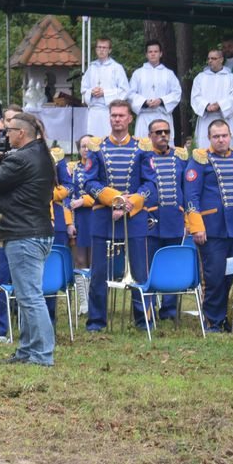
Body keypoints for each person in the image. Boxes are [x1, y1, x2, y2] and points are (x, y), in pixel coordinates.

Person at [0, 112, 57, 366]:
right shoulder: (41, 153)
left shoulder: (21, 158)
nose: (4, 135)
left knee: (30, 297)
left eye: (8, 131)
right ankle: (26, 351)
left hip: (25, 235)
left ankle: (42, 355)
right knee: (26, 296)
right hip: (37, 232)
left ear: (21, 133)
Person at [82, 100, 156, 332]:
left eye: (121, 116)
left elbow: (151, 184)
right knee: (99, 272)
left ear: (130, 119)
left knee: (139, 271)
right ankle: (96, 321)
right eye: (113, 115)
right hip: (103, 217)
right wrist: (114, 198)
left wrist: (130, 202)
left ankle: (143, 320)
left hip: (134, 218)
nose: (117, 119)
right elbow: (88, 181)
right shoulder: (97, 147)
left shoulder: (143, 147)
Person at [184, 119, 233, 331]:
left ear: (230, 135)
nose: (221, 139)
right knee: (214, 277)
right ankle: (213, 321)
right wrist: (196, 226)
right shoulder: (200, 160)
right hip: (211, 230)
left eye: (224, 135)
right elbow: (191, 195)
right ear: (209, 138)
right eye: (216, 136)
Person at [144, 119, 188, 321]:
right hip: (150, 219)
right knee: (149, 266)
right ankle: (148, 310)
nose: (163, 135)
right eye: (158, 132)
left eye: (166, 131)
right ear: (150, 135)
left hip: (174, 219)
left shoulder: (180, 158)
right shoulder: (143, 157)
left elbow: (186, 189)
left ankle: (169, 311)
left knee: (172, 264)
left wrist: (186, 215)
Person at [127, 40, 182, 140]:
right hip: (144, 116)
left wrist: (161, 101)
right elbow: (130, 94)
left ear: (160, 54)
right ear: (146, 54)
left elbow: (177, 93)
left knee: (163, 147)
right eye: (150, 52)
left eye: (155, 52)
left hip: (162, 116)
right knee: (143, 147)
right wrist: (145, 102)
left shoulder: (169, 74)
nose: (153, 54)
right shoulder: (138, 73)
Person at [191, 49, 233, 149]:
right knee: (204, 149)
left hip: (225, 118)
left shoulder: (231, 78)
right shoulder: (200, 78)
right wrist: (206, 106)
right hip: (206, 118)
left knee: (227, 148)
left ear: (221, 60)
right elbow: (195, 97)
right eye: (209, 58)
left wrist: (220, 105)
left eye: (213, 58)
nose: (210, 61)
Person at [66, 135, 94, 316]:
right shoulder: (72, 168)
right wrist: (69, 222)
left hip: (95, 216)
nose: (86, 149)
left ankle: (95, 301)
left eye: (89, 146)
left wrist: (84, 200)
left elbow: (103, 192)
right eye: (83, 146)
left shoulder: (100, 167)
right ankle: (83, 302)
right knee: (80, 261)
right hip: (78, 219)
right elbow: (66, 195)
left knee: (95, 261)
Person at [80, 37, 129, 139]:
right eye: (99, 47)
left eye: (104, 48)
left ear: (109, 50)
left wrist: (105, 93)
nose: (101, 50)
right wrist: (91, 92)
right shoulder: (91, 67)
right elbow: (83, 89)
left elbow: (125, 91)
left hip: (109, 111)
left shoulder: (116, 67)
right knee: (92, 141)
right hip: (93, 112)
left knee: (108, 140)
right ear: (96, 49)